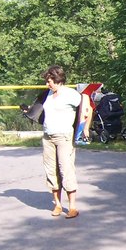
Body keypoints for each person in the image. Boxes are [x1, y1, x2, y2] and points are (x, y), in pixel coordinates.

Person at [40, 65, 90, 219]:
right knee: (51, 170)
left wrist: (85, 128)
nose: (47, 84)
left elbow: (87, 108)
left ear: (58, 80)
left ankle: (72, 206)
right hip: (48, 136)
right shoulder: (48, 94)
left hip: (64, 137)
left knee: (66, 169)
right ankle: (57, 204)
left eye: (49, 81)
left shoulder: (71, 94)